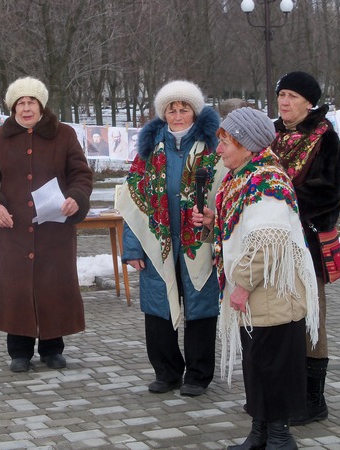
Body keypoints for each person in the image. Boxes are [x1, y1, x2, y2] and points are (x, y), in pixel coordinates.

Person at [194, 107, 319, 449]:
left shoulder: (267, 180)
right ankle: (260, 433)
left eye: (225, 142)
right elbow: (241, 230)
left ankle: (280, 438)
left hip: (271, 294)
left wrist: (243, 285)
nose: (218, 150)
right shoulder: (243, 177)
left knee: (273, 365)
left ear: (247, 145)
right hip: (258, 296)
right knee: (258, 364)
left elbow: (269, 241)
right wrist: (211, 225)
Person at [0, 76, 93, 373]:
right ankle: (19, 351)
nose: (26, 108)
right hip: (13, 228)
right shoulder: (0, 137)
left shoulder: (63, 135)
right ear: (13, 108)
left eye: (32, 102)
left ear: (42, 106)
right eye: (20, 103)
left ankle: (53, 348)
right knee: (17, 287)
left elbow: (81, 174)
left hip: (54, 228)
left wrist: (76, 197)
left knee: (53, 284)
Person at [116, 80, 226, 396]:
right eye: (171, 110)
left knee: (201, 309)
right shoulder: (149, 150)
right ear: (163, 113)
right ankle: (166, 372)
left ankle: (198, 375)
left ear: (195, 111)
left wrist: (214, 226)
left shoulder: (212, 147)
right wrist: (133, 246)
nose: (177, 116)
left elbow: (226, 192)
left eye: (184, 109)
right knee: (158, 307)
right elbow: (134, 200)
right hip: (157, 243)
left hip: (199, 242)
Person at [271, 71, 340, 426]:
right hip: (270, 243)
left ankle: (314, 400)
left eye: (292, 96)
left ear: (308, 102)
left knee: (311, 319)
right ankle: (287, 391)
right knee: (280, 318)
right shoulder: (270, 134)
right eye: (281, 94)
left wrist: (279, 198)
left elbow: (328, 192)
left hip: (308, 243)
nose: (284, 102)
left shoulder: (324, 137)